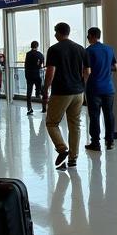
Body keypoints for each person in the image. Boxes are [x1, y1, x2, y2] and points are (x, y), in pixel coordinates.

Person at [45, 21, 89, 169]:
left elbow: (50, 72)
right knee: (75, 125)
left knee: (52, 123)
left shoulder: (54, 49)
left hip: (61, 92)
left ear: (57, 32)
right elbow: (87, 71)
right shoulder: (80, 49)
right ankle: (73, 159)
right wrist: (82, 86)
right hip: (78, 92)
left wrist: (45, 89)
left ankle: (62, 149)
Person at [84, 26, 117, 152]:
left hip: (94, 88)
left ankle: (95, 143)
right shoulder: (109, 49)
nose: (88, 38)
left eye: (88, 36)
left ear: (92, 36)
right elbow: (116, 68)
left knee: (94, 116)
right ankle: (110, 141)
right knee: (109, 114)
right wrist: (105, 69)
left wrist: (85, 85)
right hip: (109, 88)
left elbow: (87, 71)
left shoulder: (88, 51)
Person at [24, 40, 46, 115]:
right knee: (43, 91)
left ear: (31, 46)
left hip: (29, 75)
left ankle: (29, 109)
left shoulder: (28, 54)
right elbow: (42, 65)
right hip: (37, 75)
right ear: (37, 46)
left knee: (29, 93)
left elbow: (26, 65)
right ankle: (44, 107)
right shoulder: (40, 54)